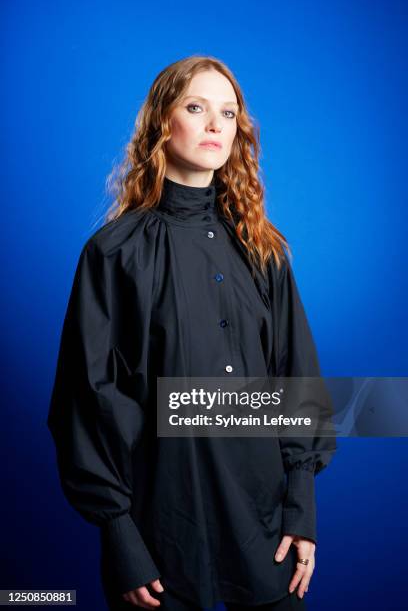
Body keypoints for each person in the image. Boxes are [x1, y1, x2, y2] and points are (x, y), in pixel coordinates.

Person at [47, 55, 337, 611]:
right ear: (163, 121)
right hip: (162, 540)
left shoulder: (263, 250)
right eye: (196, 107)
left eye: (227, 113)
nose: (214, 125)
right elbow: (85, 401)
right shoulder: (113, 254)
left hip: (266, 530)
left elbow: (295, 376)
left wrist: (301, 507)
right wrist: (119, 537)